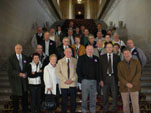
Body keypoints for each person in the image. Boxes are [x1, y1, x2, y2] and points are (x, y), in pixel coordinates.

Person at [77, 45, 99, 113]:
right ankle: (84, 110)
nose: (90, 50)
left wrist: (98, 80)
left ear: (93, 50)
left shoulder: (96, 58)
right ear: (86, 50)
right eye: (88, 49)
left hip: (94, 81)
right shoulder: (81, 58)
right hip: (85, 81)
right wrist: (81, 80)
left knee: (93, 98)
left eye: (91, 49)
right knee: (84, 98)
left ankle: (93, 110)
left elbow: (98, 70)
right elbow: (78, 69)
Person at [118, 48, 141, 113]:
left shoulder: (136, 62)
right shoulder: (120, 64)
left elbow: (138, 73)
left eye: (127, 53)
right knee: (125, 105)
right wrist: (126, 83)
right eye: (125, 53)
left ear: (130, 53)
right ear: (123, 55)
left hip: (134, 86)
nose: (126, 55)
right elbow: (119, 75)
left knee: (135, 105)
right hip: (124, 87)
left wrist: (132, 83)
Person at [99, 42, 120, 112]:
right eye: (107, 47)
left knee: (114, 95)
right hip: (105, 78)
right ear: (105, 48)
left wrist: (119, 80)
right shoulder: (102, 57)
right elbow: (100, 70)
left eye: (110, 47)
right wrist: (101, 80)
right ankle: (105, 109)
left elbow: (119, 69)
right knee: (105, 96)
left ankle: (114, 109)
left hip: (114, 78)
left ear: (113, 48)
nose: (109, 48)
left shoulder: (117, 57)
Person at [8, 44, 28, 113]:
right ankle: (15, 110)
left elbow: (28, 68)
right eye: (17, 48)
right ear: (15, 49)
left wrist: (26, 73)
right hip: (16, 82)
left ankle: (25, 110)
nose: (19, 50)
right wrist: (18, 74)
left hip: (24, 81)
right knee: (15, 98)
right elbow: (10, 70)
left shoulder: (25, 57)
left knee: (24, 98)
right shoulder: (11, 58)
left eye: (20, 48)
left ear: (22, 49)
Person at [56, 48, 78, 113]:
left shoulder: (75, 60)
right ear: (64, 52)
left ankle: (72, 111)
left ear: (71, 53)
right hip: (64, 83)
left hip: (72, 83)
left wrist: (72, 79)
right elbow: (58, 72)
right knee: (64, 100)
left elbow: (77, 71)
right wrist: (65, 80)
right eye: (67, 51)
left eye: (70, 52)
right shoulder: (60, 61)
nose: (68, 53)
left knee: (73, 100)